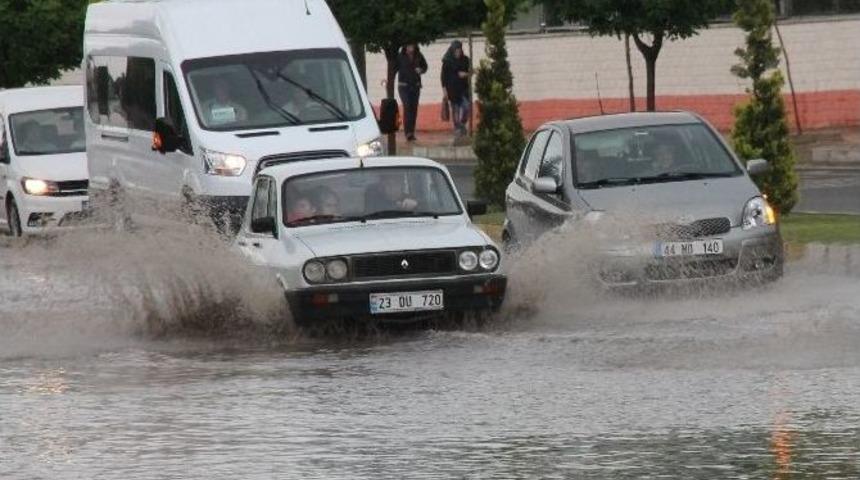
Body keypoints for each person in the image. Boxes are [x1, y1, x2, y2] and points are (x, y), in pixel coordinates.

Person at [396, 43, 428, 142]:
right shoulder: (400, 56)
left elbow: (425, 67)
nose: (411, 48)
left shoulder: (419, 55)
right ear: (405, 46)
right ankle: (408, 133)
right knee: (407, 107)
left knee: (413, 109)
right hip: (404, 86)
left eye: (412, 46)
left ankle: (412, 132)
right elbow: (394, 68)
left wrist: (421, 70)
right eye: (409, 46)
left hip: (415, 86)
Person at [441, 40, 472, 138]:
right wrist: (445, 91)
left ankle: (462, 123)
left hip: (463, 89)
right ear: (452, 50)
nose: (458, 53)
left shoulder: (465, 60)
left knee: (467, 107)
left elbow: (470, 72)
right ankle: (457, 127)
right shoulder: (447, 61)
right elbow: (443, 77)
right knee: (456, 110)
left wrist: (466, 74)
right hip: (452, 90)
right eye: (456, 51)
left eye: (459, 50)